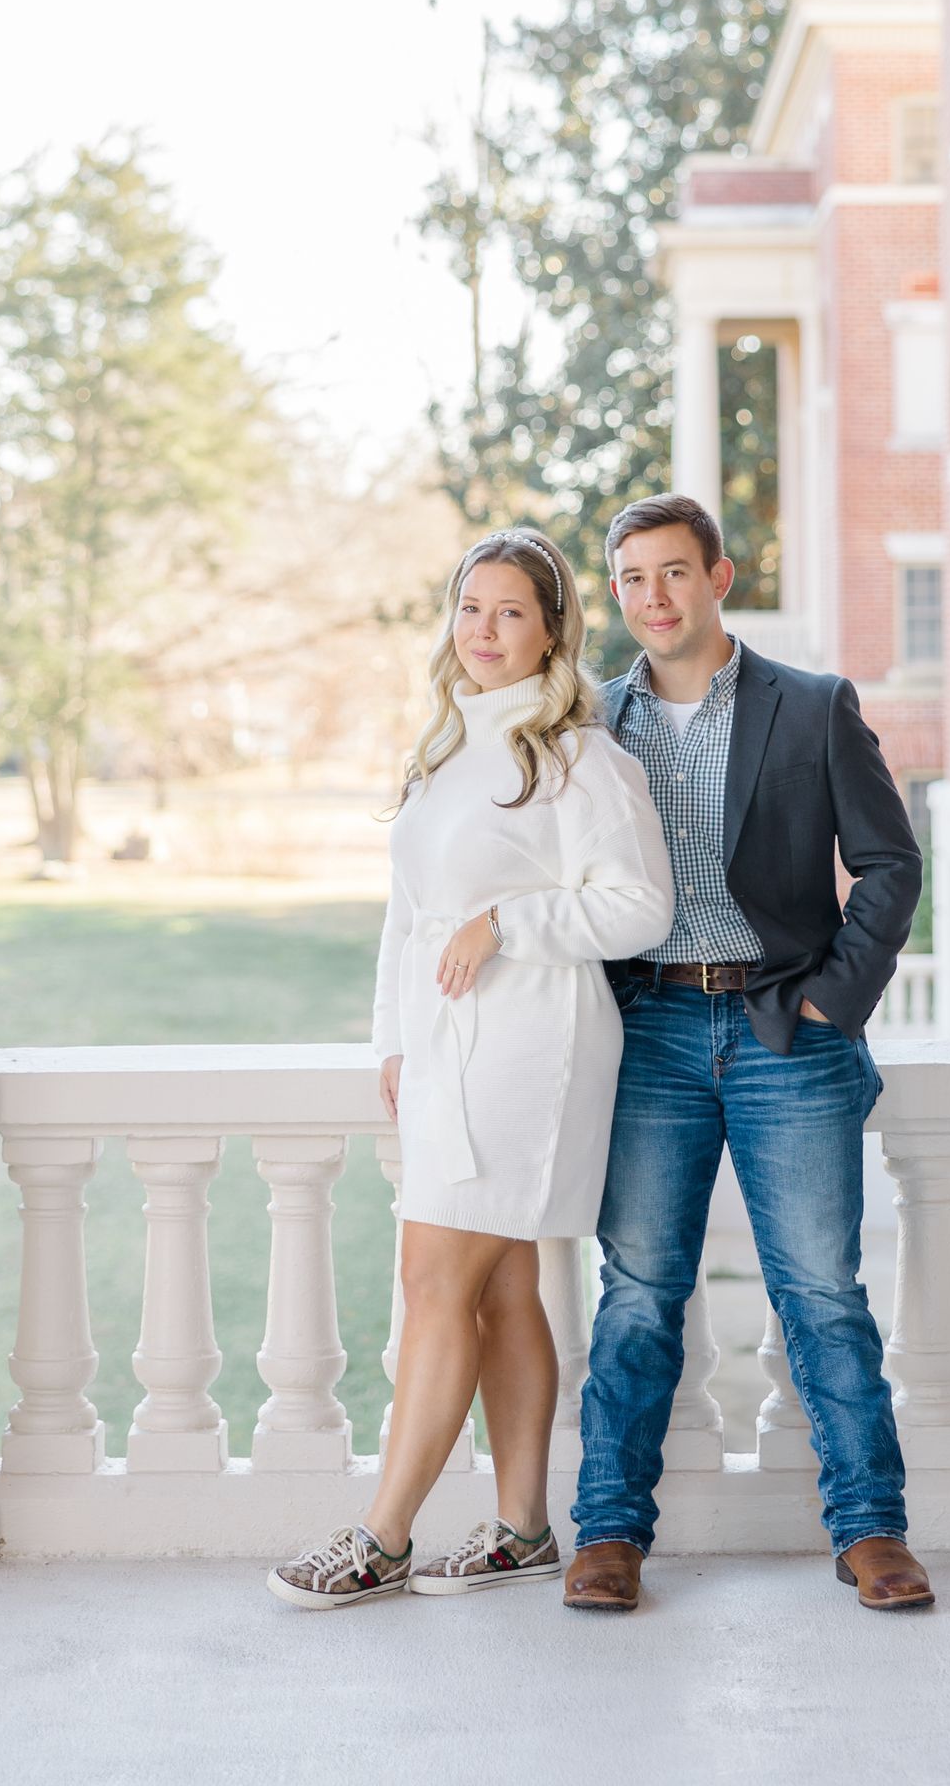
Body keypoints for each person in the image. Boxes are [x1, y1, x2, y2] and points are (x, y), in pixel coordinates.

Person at [267, 527, 674, 1612]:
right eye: (469, 608)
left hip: (533, 1043)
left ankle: (383, 1536)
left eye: (510, 612)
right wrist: (390, 1041)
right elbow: (408, 919)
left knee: (436, 1281)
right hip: (445, 1048)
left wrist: (509, 923)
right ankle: (524, 1529)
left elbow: (642, 907)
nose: (484, 631)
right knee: (498, 1287)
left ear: (551, 631)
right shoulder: (447, 747)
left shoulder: (579, 756)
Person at [565, 494, 933, 1615]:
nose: (653, 598)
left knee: (823, 1290)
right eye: (631, 579)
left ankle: (871, 1528)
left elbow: (890, 863)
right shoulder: (591, 724)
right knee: (637, 1293)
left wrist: (834, 999)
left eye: (673, 573)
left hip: (788, 1030)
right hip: (649, 1036)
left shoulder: (814, 707)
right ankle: (609, 1534)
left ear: (720, 577)